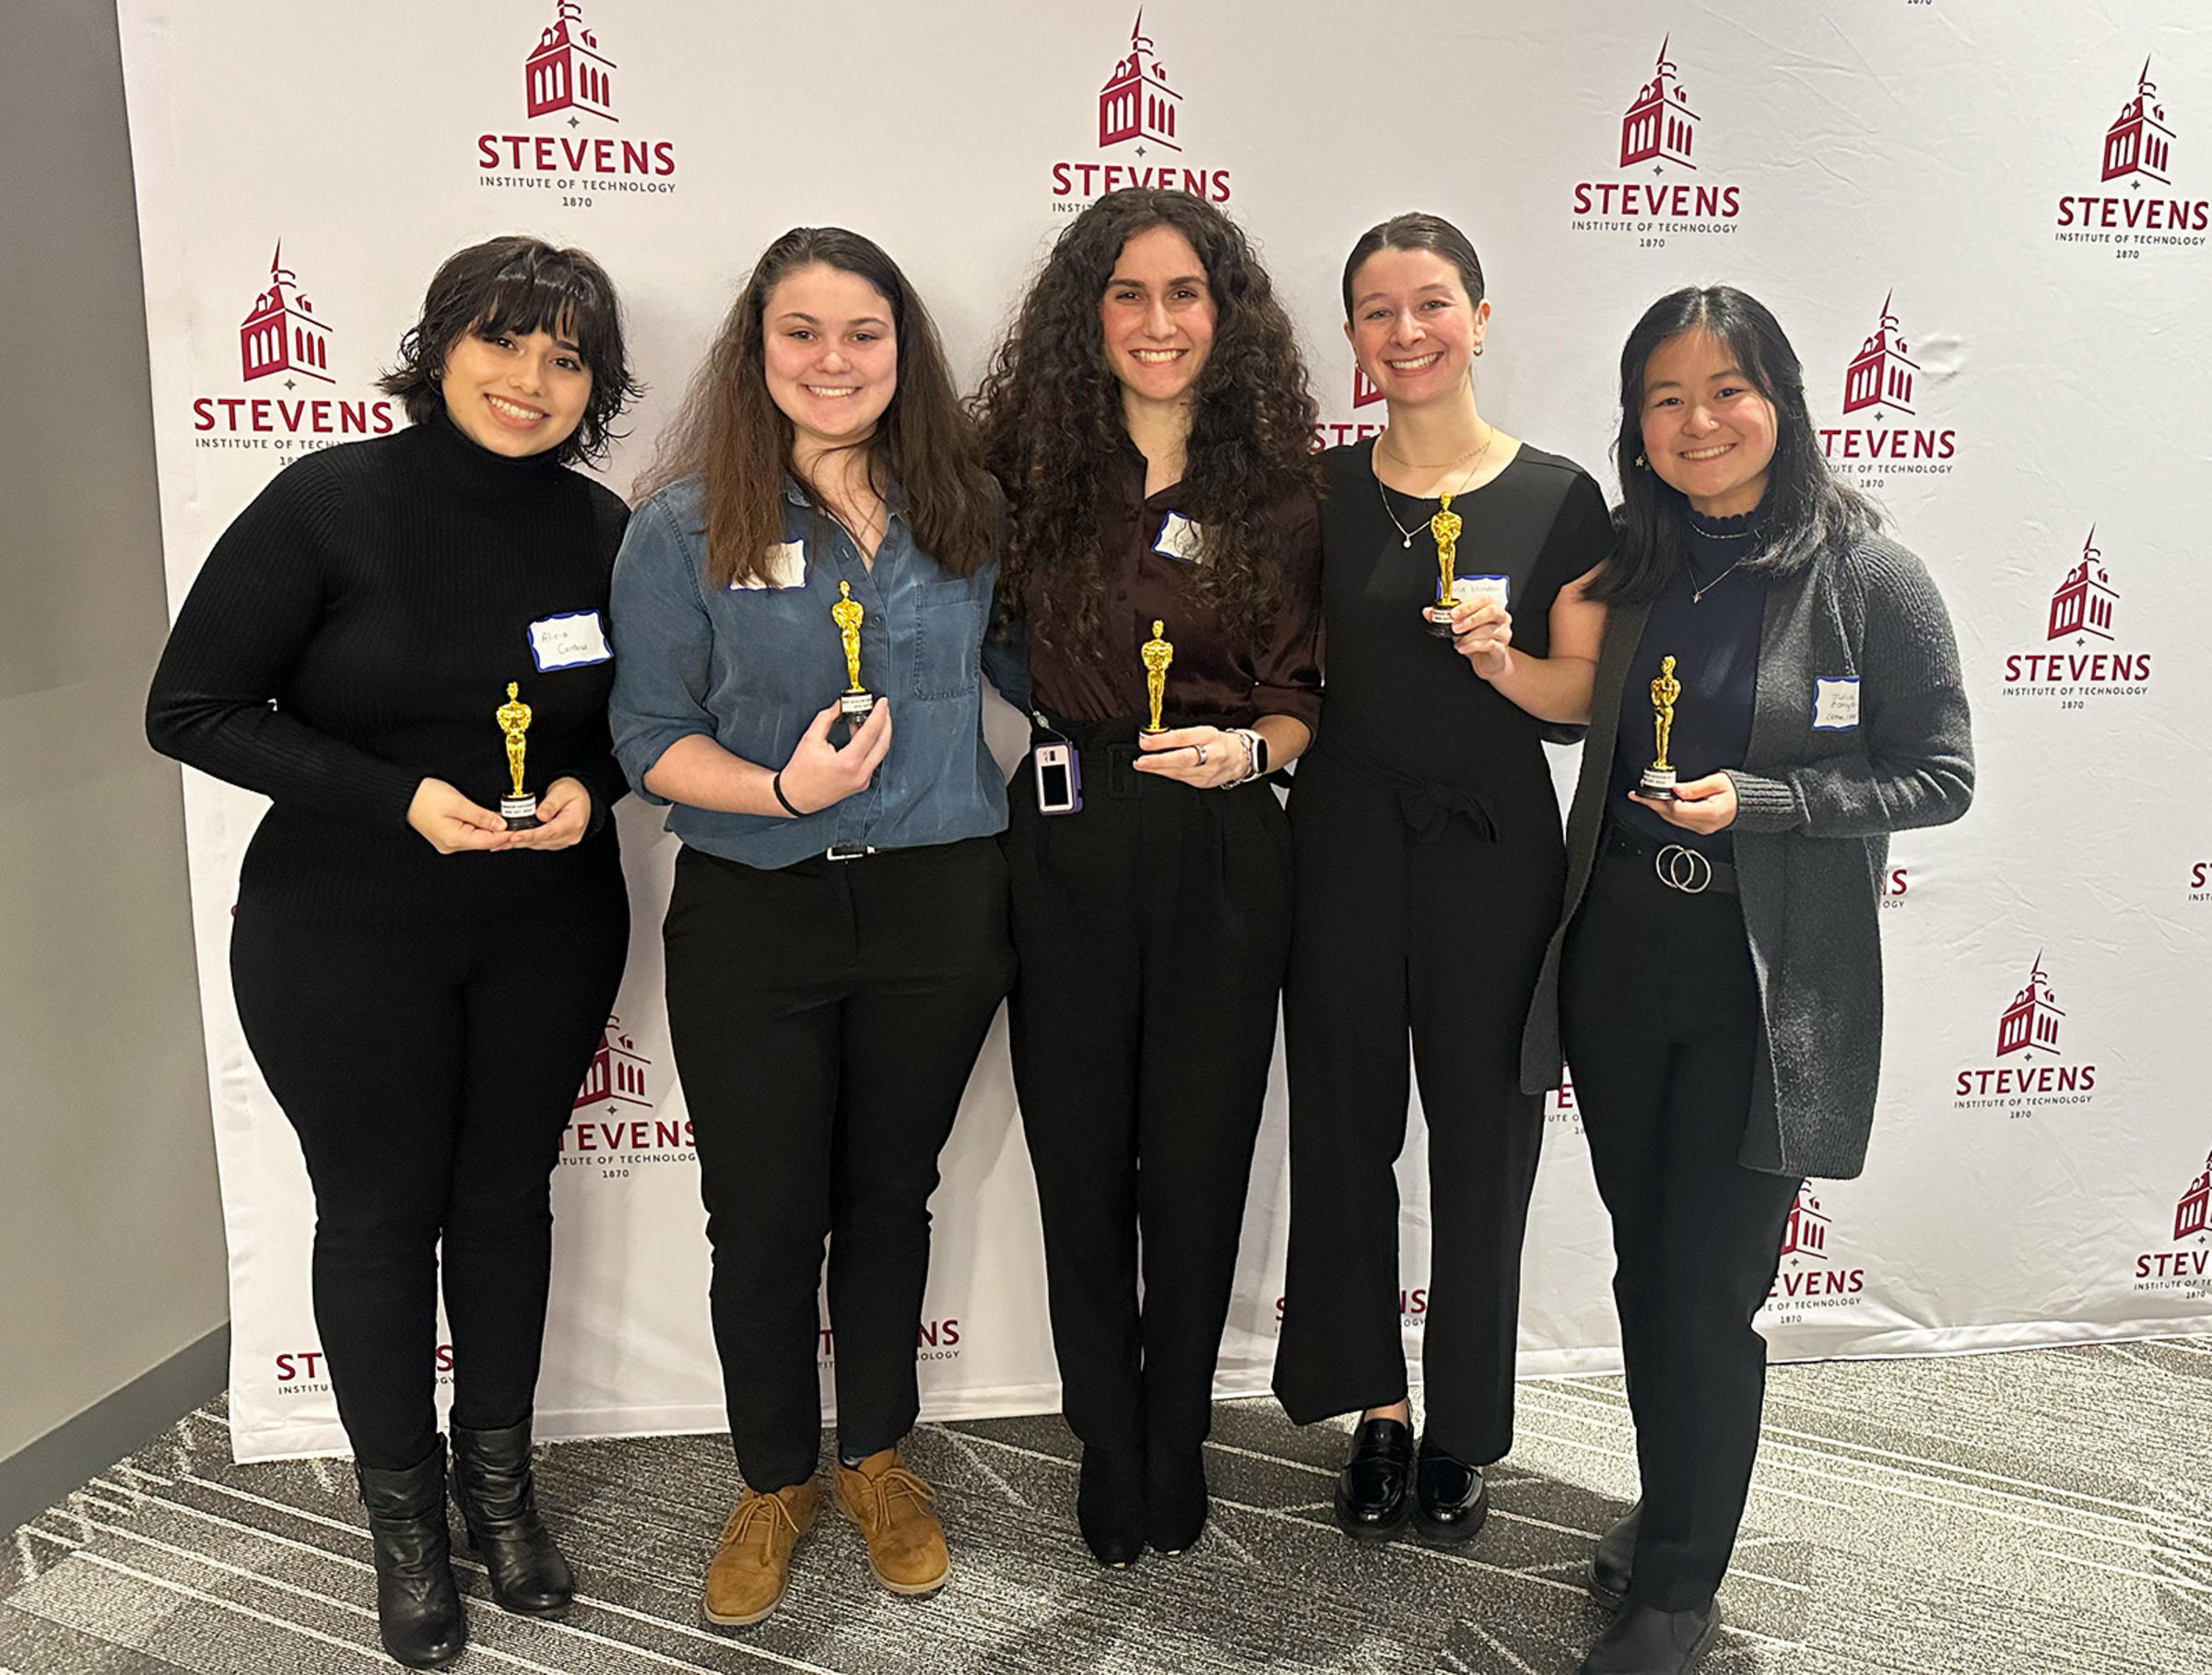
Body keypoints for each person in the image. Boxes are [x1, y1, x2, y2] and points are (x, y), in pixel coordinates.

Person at [146, 236, 642, 1669]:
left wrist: (592, 789)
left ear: (594, 387)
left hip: (548, 921)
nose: (531, 379)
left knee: (504, 1204)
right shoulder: (329, 503)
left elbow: (640, 716)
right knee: (376, 1218)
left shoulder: (601, 530)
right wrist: (395, 794)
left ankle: (502, 1495)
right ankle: (408, 1530)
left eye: (567, 359)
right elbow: (191, 707)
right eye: (504, 342)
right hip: (343, 927)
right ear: (439, 347)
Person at [1520, 285, 1972, 1675]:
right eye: (1665, 397)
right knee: (1646, 1268)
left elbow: (1941, 774)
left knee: (1709, 1284)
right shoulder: (1635, 567)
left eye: (1727, 389)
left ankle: (1678, 1591)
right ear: (1635, 424)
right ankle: (1677, 1508)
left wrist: (1767, 801)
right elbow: (1557, 702)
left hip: (1765, 994)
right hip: (1619, 969)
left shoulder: (1867, 577)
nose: (1698, 420)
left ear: (1779, 397)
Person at [608, 227, 1019, 1629]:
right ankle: (774, 1475)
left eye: (863, 333)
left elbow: (1063, 654)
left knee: (888, 1195)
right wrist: (784, 786)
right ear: (757, 347)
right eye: (802, 332)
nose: (833, 361)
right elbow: (648, 734)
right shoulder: (681, 525)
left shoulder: (967, 508)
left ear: (902, 351)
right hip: (755, 909)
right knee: (765, 1217)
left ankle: (879, 1457)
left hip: (939, 900)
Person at [971, 187, 1324, 1567]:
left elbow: (1302, 696)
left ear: (1225, 316)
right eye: (1131, 294)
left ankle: (1178, 1431)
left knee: (1198, 1160)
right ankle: (1105, 1438)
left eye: (1187, 294)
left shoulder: (1284, 493)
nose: (1160, 321)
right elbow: (984, 642)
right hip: (1062, 833)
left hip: (1225, 843)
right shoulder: (1020, 475)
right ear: (1088, 315)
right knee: (1077, 1162)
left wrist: (1250, 755)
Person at [1272, 212, 1612, 1546]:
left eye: (1430, 303)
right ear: (1353, 336)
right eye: (1376, 309)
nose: (1405, 331)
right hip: (1344, 844)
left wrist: (1503, 664)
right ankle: (1378, 1408)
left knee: (1487, 1151)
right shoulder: (1318, 495)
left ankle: (1467, 1423)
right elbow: (1284, 668)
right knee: (1346, 1135)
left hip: (1493, 856)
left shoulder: (1557, 495)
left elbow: (1581, 697)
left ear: (1480, 315)